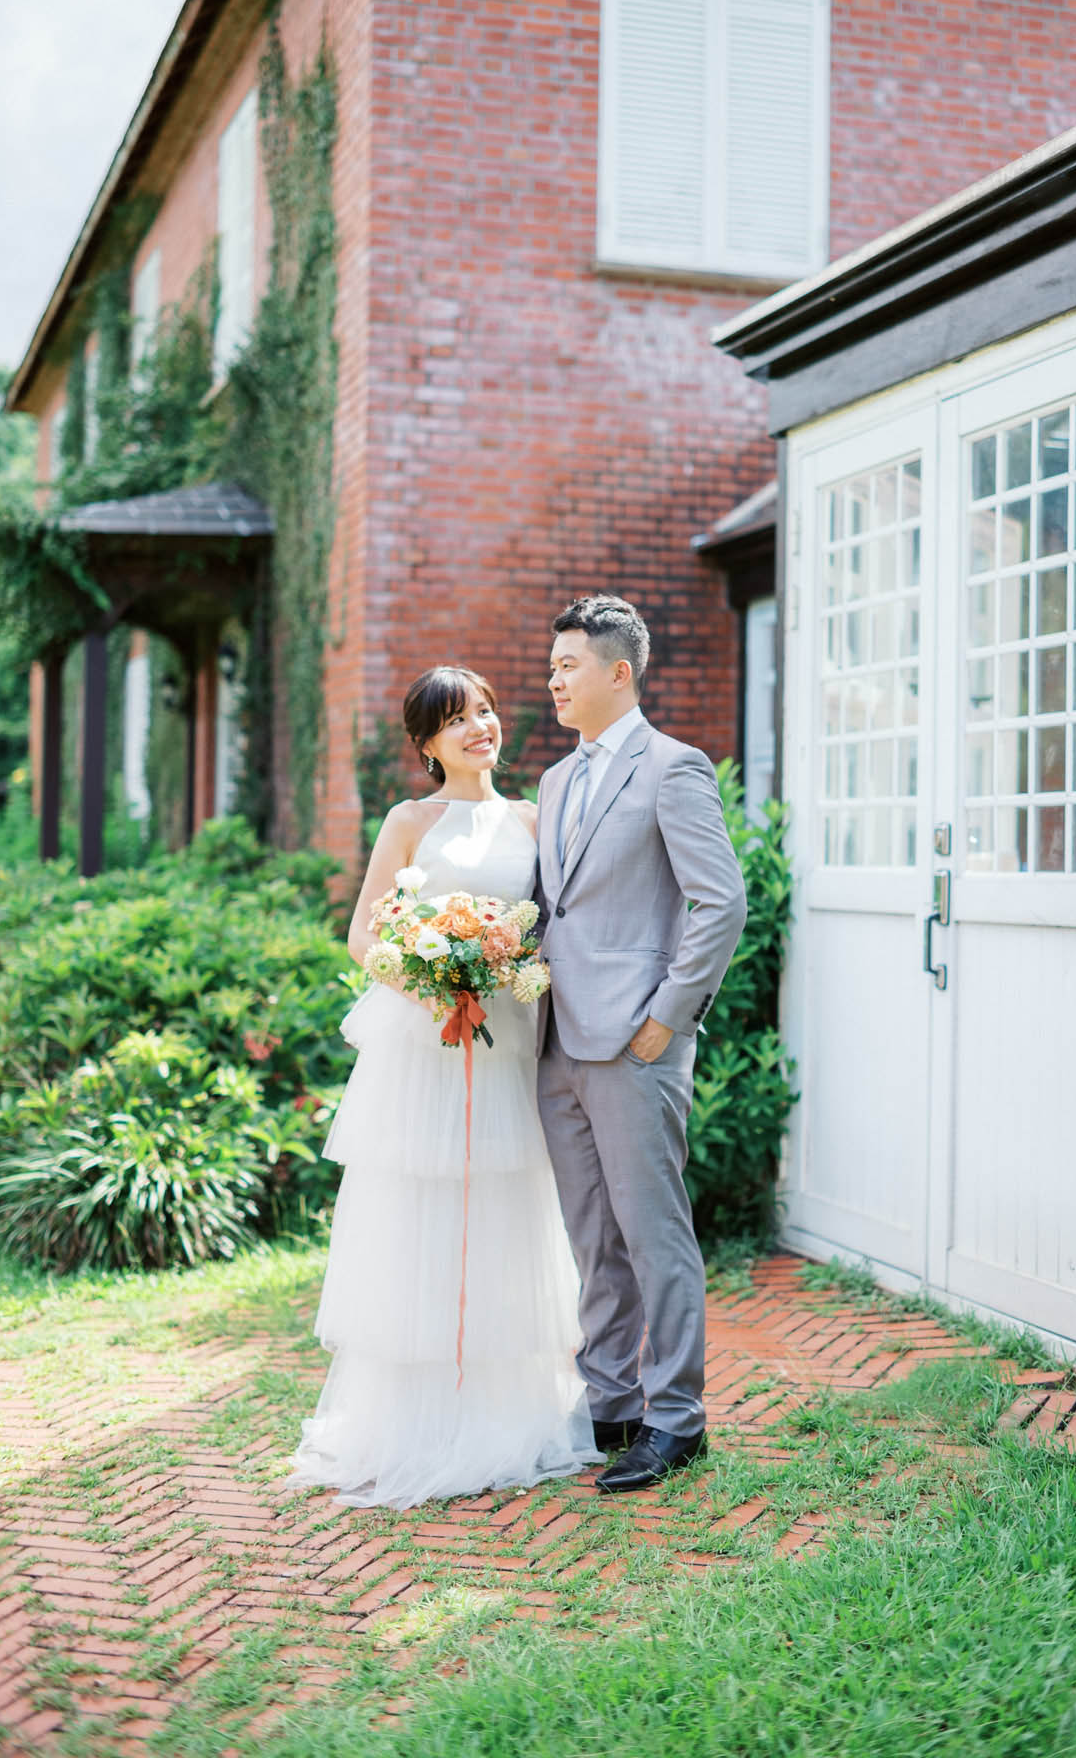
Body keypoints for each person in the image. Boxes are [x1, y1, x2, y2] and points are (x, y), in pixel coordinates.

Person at [287, 666, 599, 1508]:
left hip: (506, 1046)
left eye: (488, 712)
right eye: (458, 720)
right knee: (423, 1211)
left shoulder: (536, 817)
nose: (480, 728)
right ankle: (416, 1421)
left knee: (504, 1209)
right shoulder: (410, 821)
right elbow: (364, 934)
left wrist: (504, 964)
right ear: (426, 743)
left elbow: (554, 929)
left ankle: (504, 1414)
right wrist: (433, 974)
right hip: (427, 1049)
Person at [535, 595, 747, 1493]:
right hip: (556, 1043)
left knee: (654, 1235)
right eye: (551, 667)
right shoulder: (552, 781)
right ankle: (611, 1402)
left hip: (636, 1043)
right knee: (593, 1238)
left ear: (618, 673)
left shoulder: (674, 769)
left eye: (568, 666)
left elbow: (721, 901)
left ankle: (677, 1420)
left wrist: (669, 1015)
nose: (552, 679)